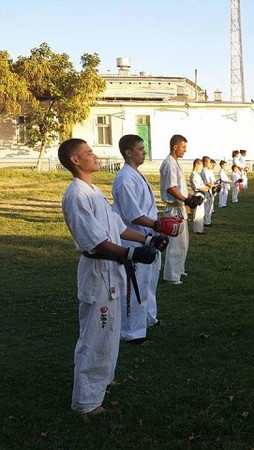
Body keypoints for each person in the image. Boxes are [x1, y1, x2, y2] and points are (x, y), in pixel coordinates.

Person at [59, 138, 163, 414]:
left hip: (112, 272)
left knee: (111, 330)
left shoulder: (93, 191)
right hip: (98, 273)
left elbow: (117, 227)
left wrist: (147, 240)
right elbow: (95, 242)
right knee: (95, 334)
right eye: (89, 153)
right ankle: (87, 400)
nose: (95, 156)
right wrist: (131, 254)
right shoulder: (77, 196)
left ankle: (103, 378)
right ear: (75, 160)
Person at [112, 135, 166, 345]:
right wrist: (156, 225)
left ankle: (149, 318)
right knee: (135, 286)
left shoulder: (135, 174)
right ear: (128, 152)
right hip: (133, 238)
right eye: (141, 149)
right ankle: (131, 332)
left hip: (147, 236)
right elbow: (132, 214)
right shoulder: (125, 179)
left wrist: (155, 228)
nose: (144, 152)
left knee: (149, 282)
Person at [160, 134, 197, 285]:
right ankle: (171, 276)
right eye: (183, 147)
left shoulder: (175, 162)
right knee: (175, 244)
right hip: (173, 209)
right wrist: (185, 200)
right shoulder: (169, 163)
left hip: (180, 208)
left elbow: (179, 187)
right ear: (175, 147)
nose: (185, 150)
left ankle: (179, 269)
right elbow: (171, 188)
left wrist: (190, 197)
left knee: (183, 243)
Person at [190, 158, 209, 234]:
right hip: (198, 195)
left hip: (202, 194)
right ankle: (197, 230)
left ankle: (200, 229)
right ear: (196, 165)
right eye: (200, 166)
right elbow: (197, 187)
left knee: (201, 213)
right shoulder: (193, 175)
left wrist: (206, 187)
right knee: (197, 213)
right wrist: (206, 188)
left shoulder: (197, 174)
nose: (201, 168)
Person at [200, 156, 217, 226]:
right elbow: (207, 183)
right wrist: (214, 186)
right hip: (206, 190)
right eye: (209, 162)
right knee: (207, 206)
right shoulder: (204, 171)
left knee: (209, 206)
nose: (210, 164)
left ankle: (208, 220)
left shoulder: (208, 171)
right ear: (205, 162)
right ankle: (206, 222)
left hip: (209, 190)